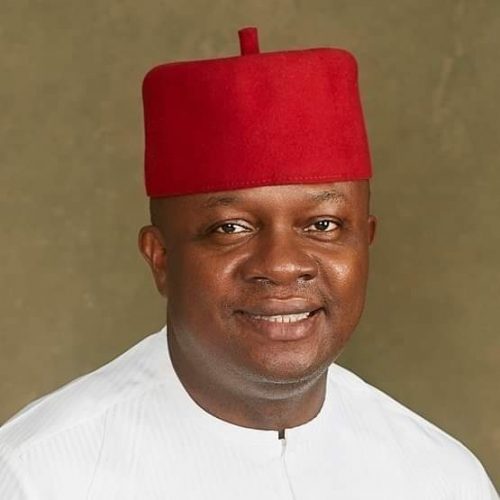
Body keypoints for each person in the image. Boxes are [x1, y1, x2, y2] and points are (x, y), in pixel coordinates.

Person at [0, 26, 497, 499]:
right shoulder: (37, 475)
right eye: (231, 228)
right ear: (161, 257)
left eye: (323, 225)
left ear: (365, 243)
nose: (281, 265)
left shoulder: (440, 478)